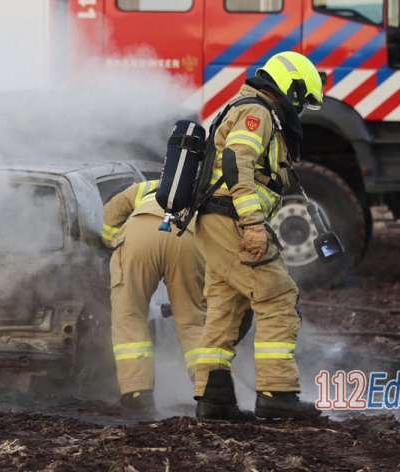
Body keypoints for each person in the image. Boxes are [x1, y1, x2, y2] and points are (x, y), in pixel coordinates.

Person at [190, 50, 323, 420]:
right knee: (278, 297)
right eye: (301, 99)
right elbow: (236, 160)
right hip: (231, 221)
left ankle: (213, 399)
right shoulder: (258, 112)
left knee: (225, 307)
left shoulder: (252, 107)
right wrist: (251, 223)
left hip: (218, 221)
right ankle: (277, 394)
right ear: (290, 87)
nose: (300, 109)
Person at [101, 179, 207, 414]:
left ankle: (137, 394)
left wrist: (111, 240)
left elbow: (113, 209)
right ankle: (209, 391)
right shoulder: (203, 189)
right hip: (188, 238)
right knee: (192, 320)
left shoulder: (142, 188)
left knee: (129, 316)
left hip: (140, 236)